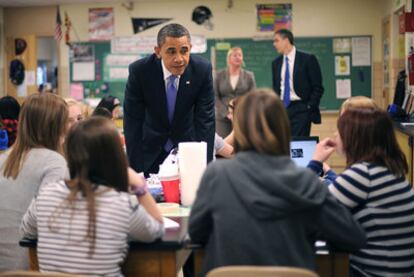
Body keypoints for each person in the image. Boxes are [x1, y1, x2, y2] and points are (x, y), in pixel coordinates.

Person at [188, 89, 365, 276]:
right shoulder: (306, 181)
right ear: (283, 128)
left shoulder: (217, 175)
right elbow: (352, 237)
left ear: (240, 128)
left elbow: (196, 232)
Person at [20, 117, 164, 275]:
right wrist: (140, 187)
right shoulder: (120, 203)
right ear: (116, 157)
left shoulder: (45, 194)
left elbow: (26, 231)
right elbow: (157, 230)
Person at [310, 108, 414, 276]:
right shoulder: (391, 172)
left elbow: (308, 207)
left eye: (340, 131)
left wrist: (315, 162)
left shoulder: (363, 175)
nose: (335, 135)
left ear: (355, 138)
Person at [124, 23, 215, 175]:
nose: (179, 59)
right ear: (158, 51)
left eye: (184, 51)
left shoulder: (202, 70)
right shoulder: (140, 72)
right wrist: (136, 169)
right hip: (150, 152)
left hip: (187, 150)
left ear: (190, 48)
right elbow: (133, 122)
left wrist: (204, 167)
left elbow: (205, 121)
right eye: (171, 52)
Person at [0, 93, 69, 271]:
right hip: (29, 265)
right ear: (56, 127)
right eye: (66, 122)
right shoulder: (54, 163)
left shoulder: (3, 159)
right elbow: (53, 220)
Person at [272, 29, 324, 136]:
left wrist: (309, 106)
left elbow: (317, 87)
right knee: (283, 143)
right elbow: (276, 88)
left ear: (286, 40)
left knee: (299, 144)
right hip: (283, 109)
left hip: (302, 108)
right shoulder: (276, 63)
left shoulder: (308, 59)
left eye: (276, 41)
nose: (274, 44)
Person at [214, 47, 256, 137]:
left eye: (240, 55)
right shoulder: (219, 75)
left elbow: (252, 97)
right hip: (223, 118)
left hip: (243, 116)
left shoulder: (249, 76)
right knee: (223, 146)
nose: (238, 57)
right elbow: (215, 96)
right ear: (229, 59)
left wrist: (242, 112)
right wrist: (227, 113)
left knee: (243, 143)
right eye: (235, 55)